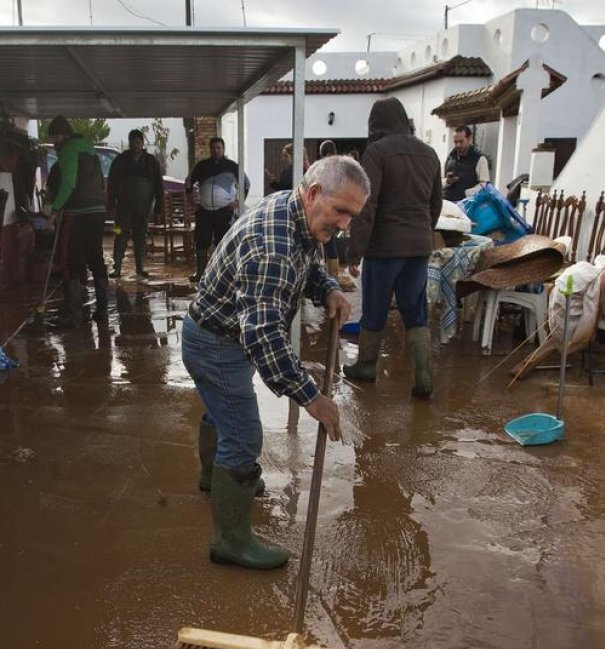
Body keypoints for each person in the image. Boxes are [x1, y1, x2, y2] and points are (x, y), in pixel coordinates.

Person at [182, 156, 367, 570]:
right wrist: (311, 398)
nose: (343, 225)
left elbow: (310, 263)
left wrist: (329, 288)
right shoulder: (273, 246)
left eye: (351, 216)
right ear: (314, 193)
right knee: (244, 434)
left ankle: (216, 477)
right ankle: (230, 540)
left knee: (223, 410)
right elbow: (263, 335)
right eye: (340, 211)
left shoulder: (296, 211)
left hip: (221, 332)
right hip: (216, 343)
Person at [343, 97, 441, 398]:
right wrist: (423, 233)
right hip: (418, 245)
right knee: (415, 309)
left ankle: (367, 366)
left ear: (377, 125)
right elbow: (435, 204)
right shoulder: (429, 153)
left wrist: (355, 250)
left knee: (375, 306)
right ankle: (423, 375)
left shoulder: (377, 152)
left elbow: (366, 205)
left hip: (384, 247)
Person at [44, 115, 108, 327]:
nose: (54, 143)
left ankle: (75, 314)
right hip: (97, 210)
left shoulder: (68, 150)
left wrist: (55, 210)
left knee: (71, 259)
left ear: (61, 135)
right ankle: (102, 310)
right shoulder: (89, 149)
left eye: (54, 138)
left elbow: (68, 184)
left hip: (78, 211)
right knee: (95, 256)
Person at [186, 137, 248, 281]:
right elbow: (189, 181)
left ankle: (223, 274)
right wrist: (190, 199)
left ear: (223, 149)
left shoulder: (232, 166)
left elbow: (246, 183)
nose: (216, 150)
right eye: (213, 148)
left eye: (218, 148)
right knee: (201, 241)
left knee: (223, 242)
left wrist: (238, 202)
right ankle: (200, 273)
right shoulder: (201, 165)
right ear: (210, 149)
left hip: (224, 211)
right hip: (204, 211)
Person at [107, 129, 163, 279]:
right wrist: (111, 204)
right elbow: (111, 183)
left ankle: (140, 267)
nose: (135, 146)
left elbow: (159, 185)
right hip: (122, 209)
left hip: (144, 208)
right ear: (129, 143)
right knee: (119, 234)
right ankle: (117, 267)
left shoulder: (151, 161)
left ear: (142, 143)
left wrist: (158, 208)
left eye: (138, 143)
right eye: (132, 143)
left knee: (141, 236)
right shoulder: (120, 160)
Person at [443, 125, 490, 202]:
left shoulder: (480, 159)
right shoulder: (450, 158)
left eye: (461, 141)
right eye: (455, 142)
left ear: (469, 139)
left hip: (468, 206)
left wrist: (466, 193)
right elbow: (439, 181)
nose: (458, 145)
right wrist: (447, 181)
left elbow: (485, 185)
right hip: (447, 204)